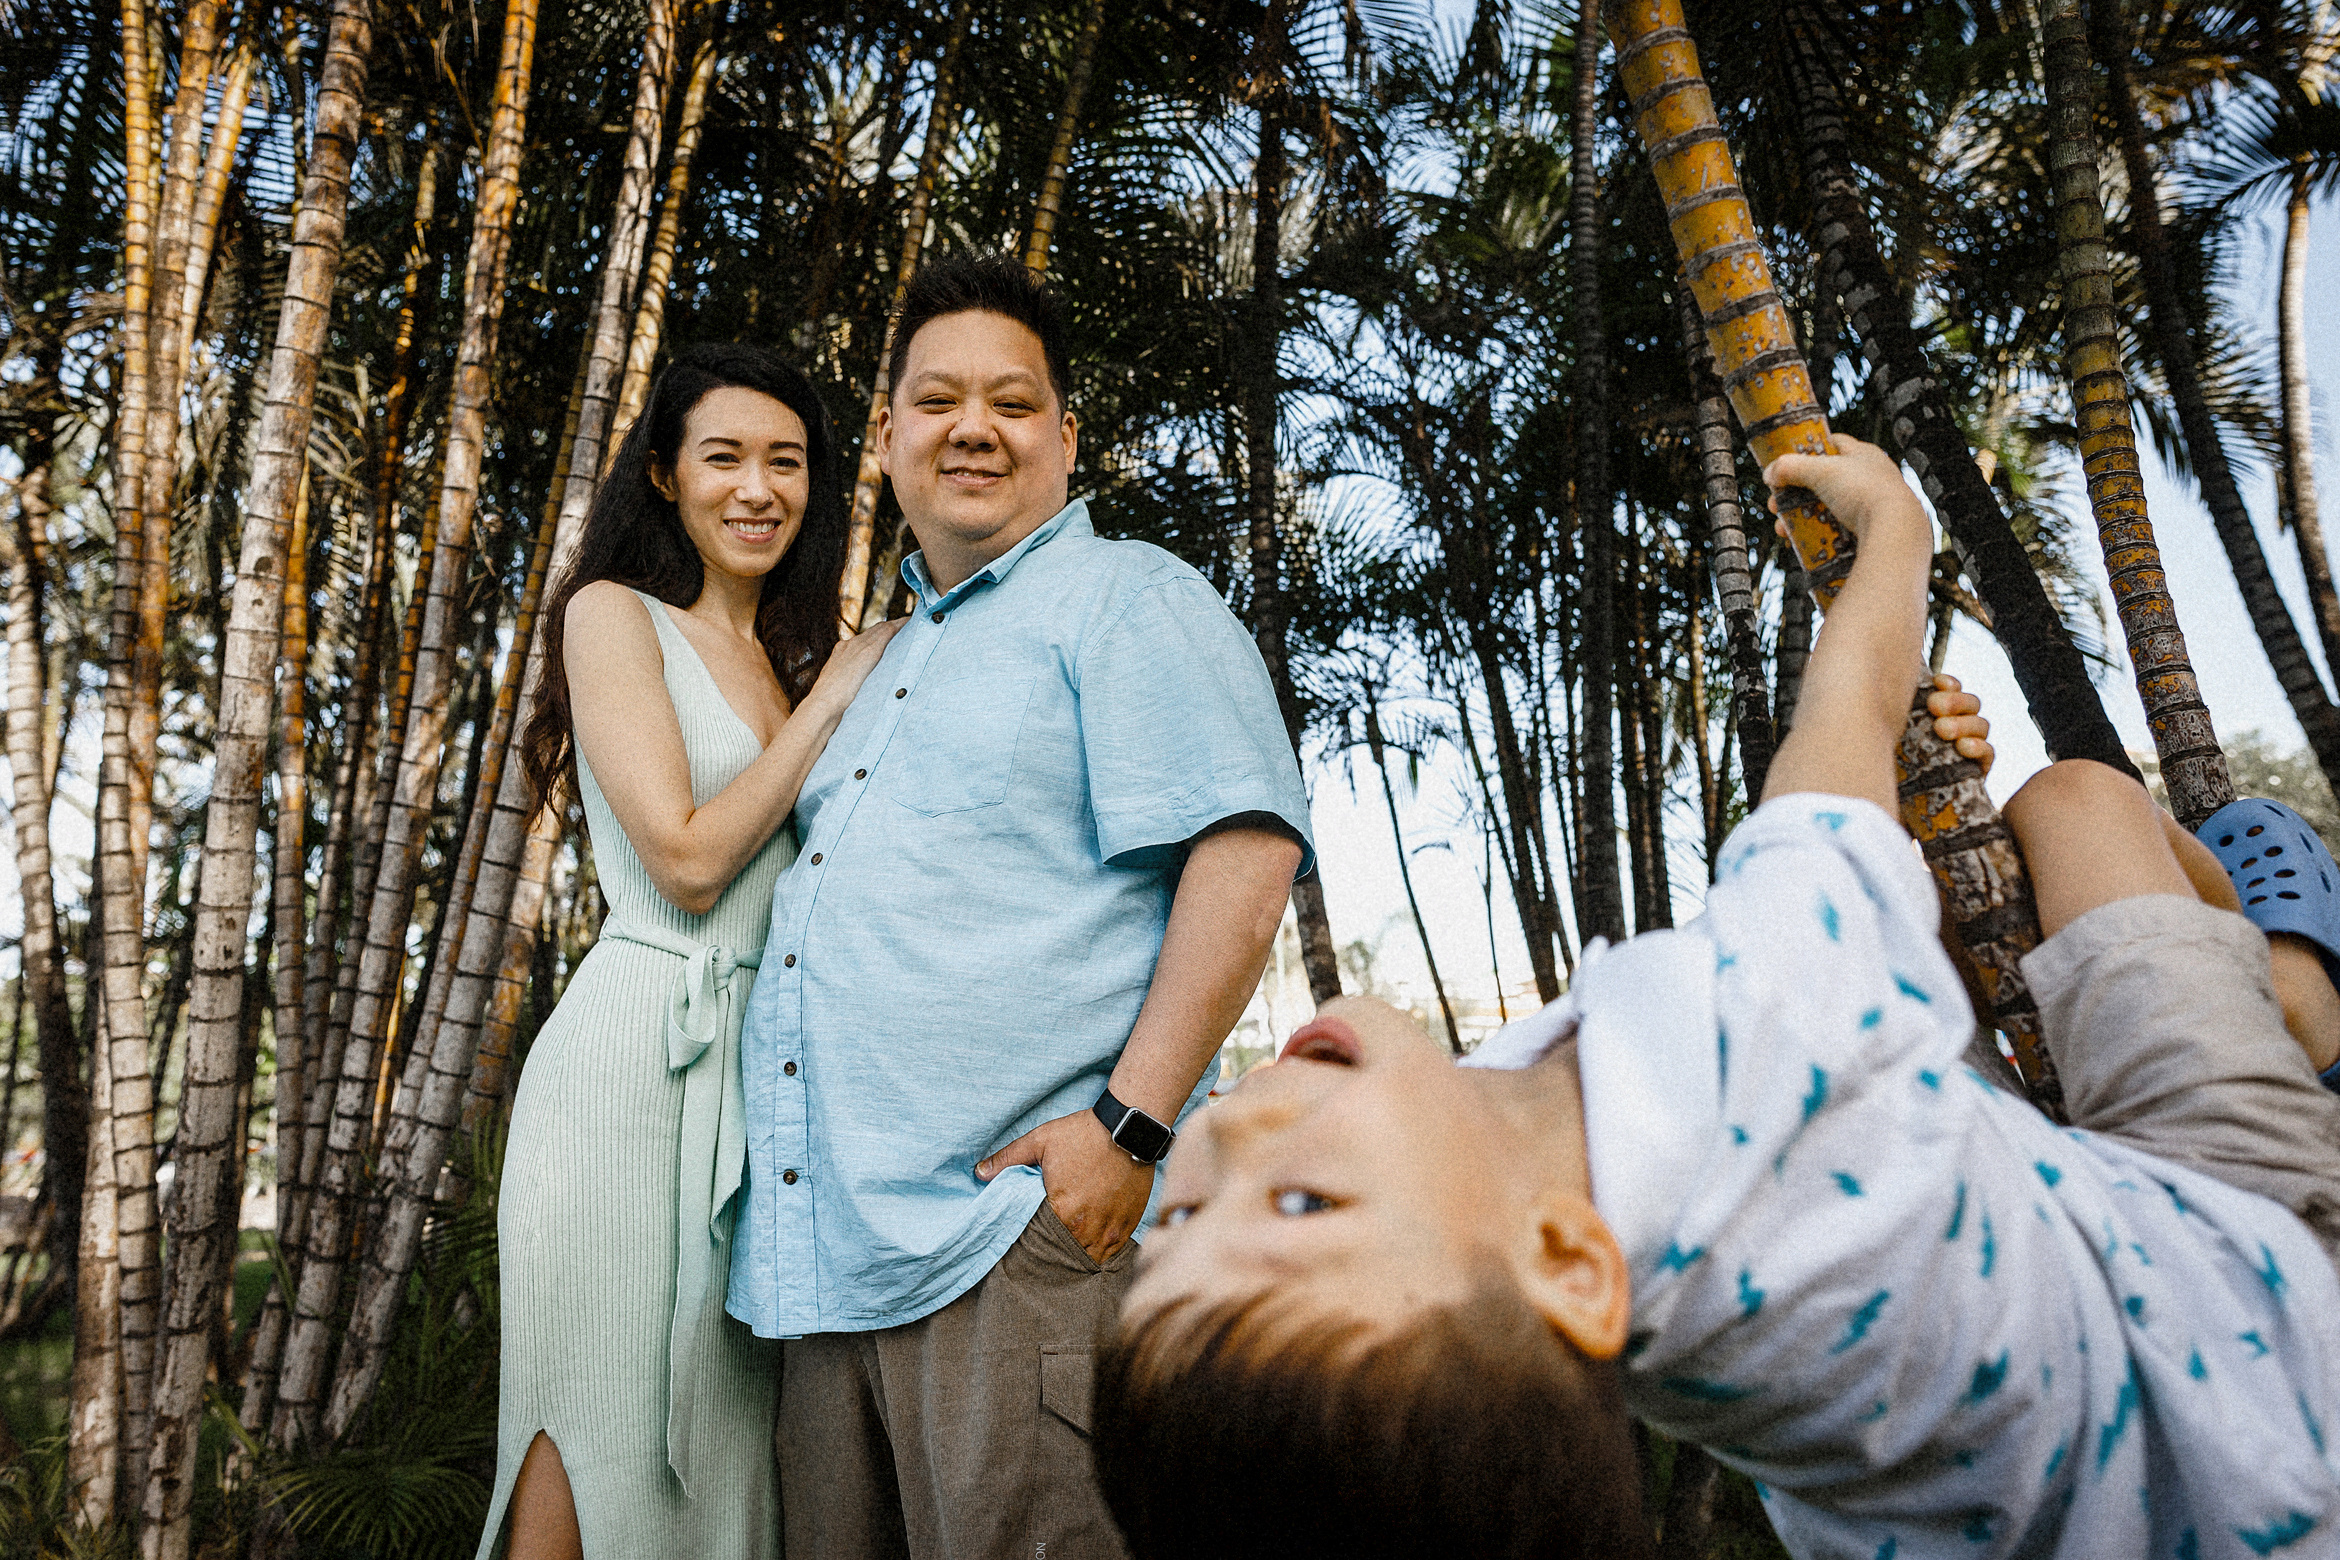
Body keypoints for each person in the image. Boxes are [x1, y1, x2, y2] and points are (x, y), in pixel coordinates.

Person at [1095, 435, 2340, 1560]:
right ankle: (2299, 1003)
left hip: (2080, 1406)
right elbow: (1842, 720)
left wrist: (1895, 838)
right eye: (1302, 1202)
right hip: (2251, 1291)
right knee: (2077, 803)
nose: (1233, 1135)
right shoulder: (1745, 1048)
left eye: (1179, 1217)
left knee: (1933, 914)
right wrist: (1894, 534)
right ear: (1564, 1260)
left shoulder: (1582, 1274)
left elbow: (1883, 1022)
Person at [727, 249, 1315, 1560]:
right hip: (829, 1274)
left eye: (1011, 401)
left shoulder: (1126, 597)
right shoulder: (879, 658)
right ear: (886, 437)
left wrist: (1129, 1130)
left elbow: (1245, 857)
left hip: (1009, 1248)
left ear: (1065, 437)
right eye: (938, 401)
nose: (974, 428)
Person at [479, 344, 903, 1560]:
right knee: (591, 1429)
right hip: (630, 1067)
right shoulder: (614, 616)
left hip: (755, 1094)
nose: (757, 488)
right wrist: (837, 698)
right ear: (666, 475)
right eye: (725, 457)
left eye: (787, 461)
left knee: (718, 1469)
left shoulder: (785, 664)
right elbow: (685, 855)